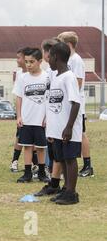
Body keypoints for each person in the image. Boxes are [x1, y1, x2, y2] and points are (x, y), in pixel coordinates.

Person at [45, 42, 82, 205]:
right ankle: (66, 189)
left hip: (68, 129)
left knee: (70, 159)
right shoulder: (56, 77)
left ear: (56, 57)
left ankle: (72, 193)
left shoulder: (69, 77)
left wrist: (69, 127)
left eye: (49, 57)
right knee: (62, 159)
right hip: (57, 129)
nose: (48, 61)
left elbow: (76, 103)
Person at [57, 31, 94, 178]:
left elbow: (78, 82)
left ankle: (87, 165)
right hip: (67, 105)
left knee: (81, 134)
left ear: (68, 44)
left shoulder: (76, 60)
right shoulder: (67, 59)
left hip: (76, 104)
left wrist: (69, 98)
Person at [35, 38, 66, 197]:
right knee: (54, 153)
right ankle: (54, 183)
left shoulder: (58, 73)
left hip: (57, 117)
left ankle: (58, 184)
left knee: (58, 153)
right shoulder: (50, 72)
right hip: (50, 117)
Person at [14, 48, 50, 183]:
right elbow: (19, 98)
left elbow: (49, 98)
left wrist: (47, 117)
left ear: (40, 61)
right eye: (27, 62)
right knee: (27, 146)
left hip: (41, 120)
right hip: (26, 119)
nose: (28, 65)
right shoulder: (22, 77)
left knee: (41, 148)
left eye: (32, 62)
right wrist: (19, 116)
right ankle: (27, 173)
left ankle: (42, 172)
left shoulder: (47, 77)